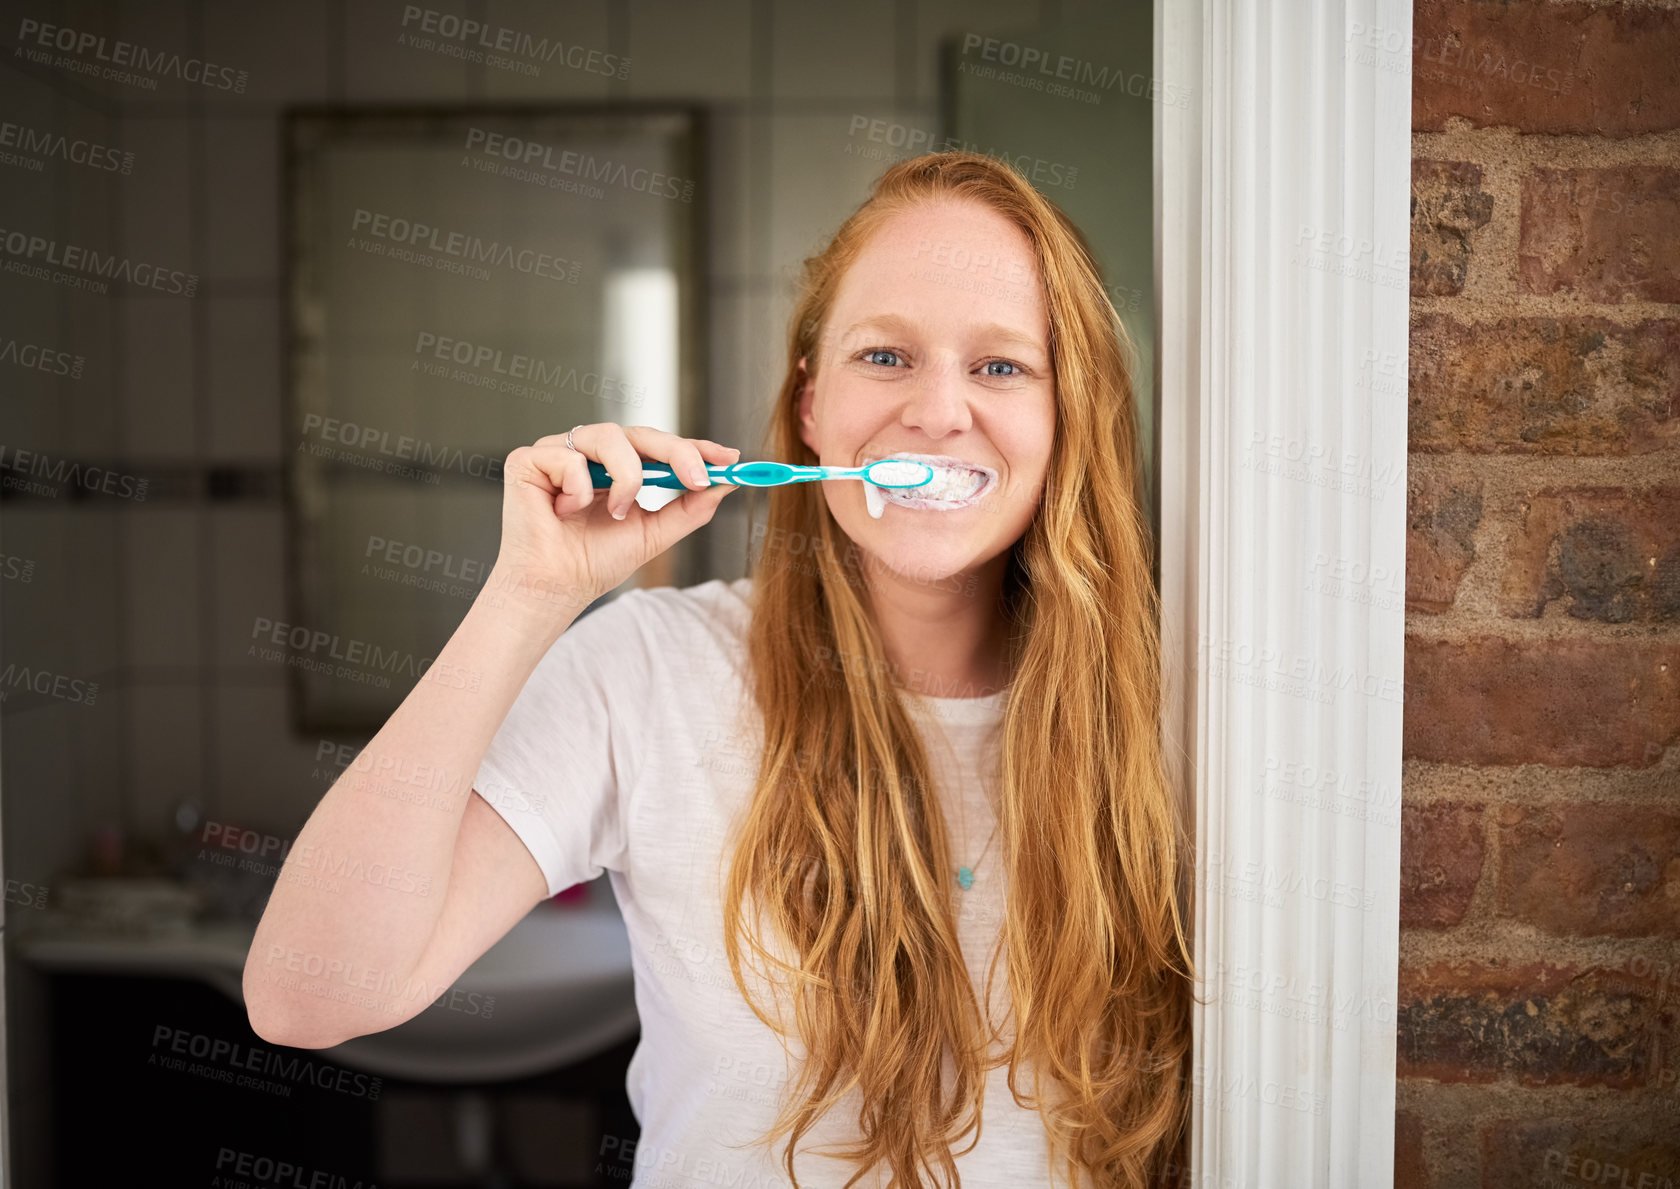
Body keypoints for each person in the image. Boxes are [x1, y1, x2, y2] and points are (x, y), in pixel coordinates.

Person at [244, 150, 1194, 1189]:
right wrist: (529, 593)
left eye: (1001, 366)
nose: (936, 411)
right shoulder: (646, 675)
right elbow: (309, 993)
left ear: (1069, 420)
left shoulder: (1179, 711)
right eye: (885, 356)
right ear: (808, 407)